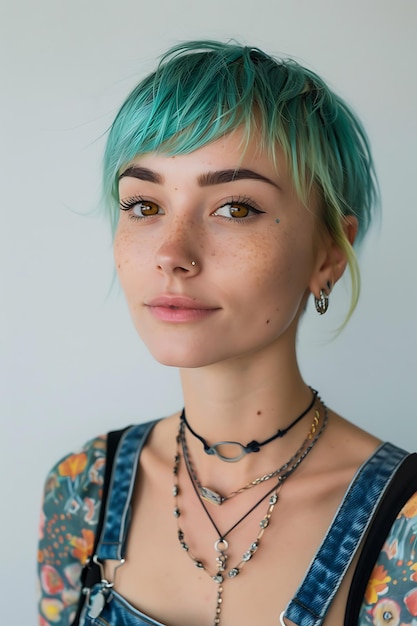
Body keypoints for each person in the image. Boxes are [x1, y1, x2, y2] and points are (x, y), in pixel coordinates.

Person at [37, 40, 417, 626]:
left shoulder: (407, 524)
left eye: (236, 208)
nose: (172, 253)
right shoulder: (80, 489)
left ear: (327, 254)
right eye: (143, 205)